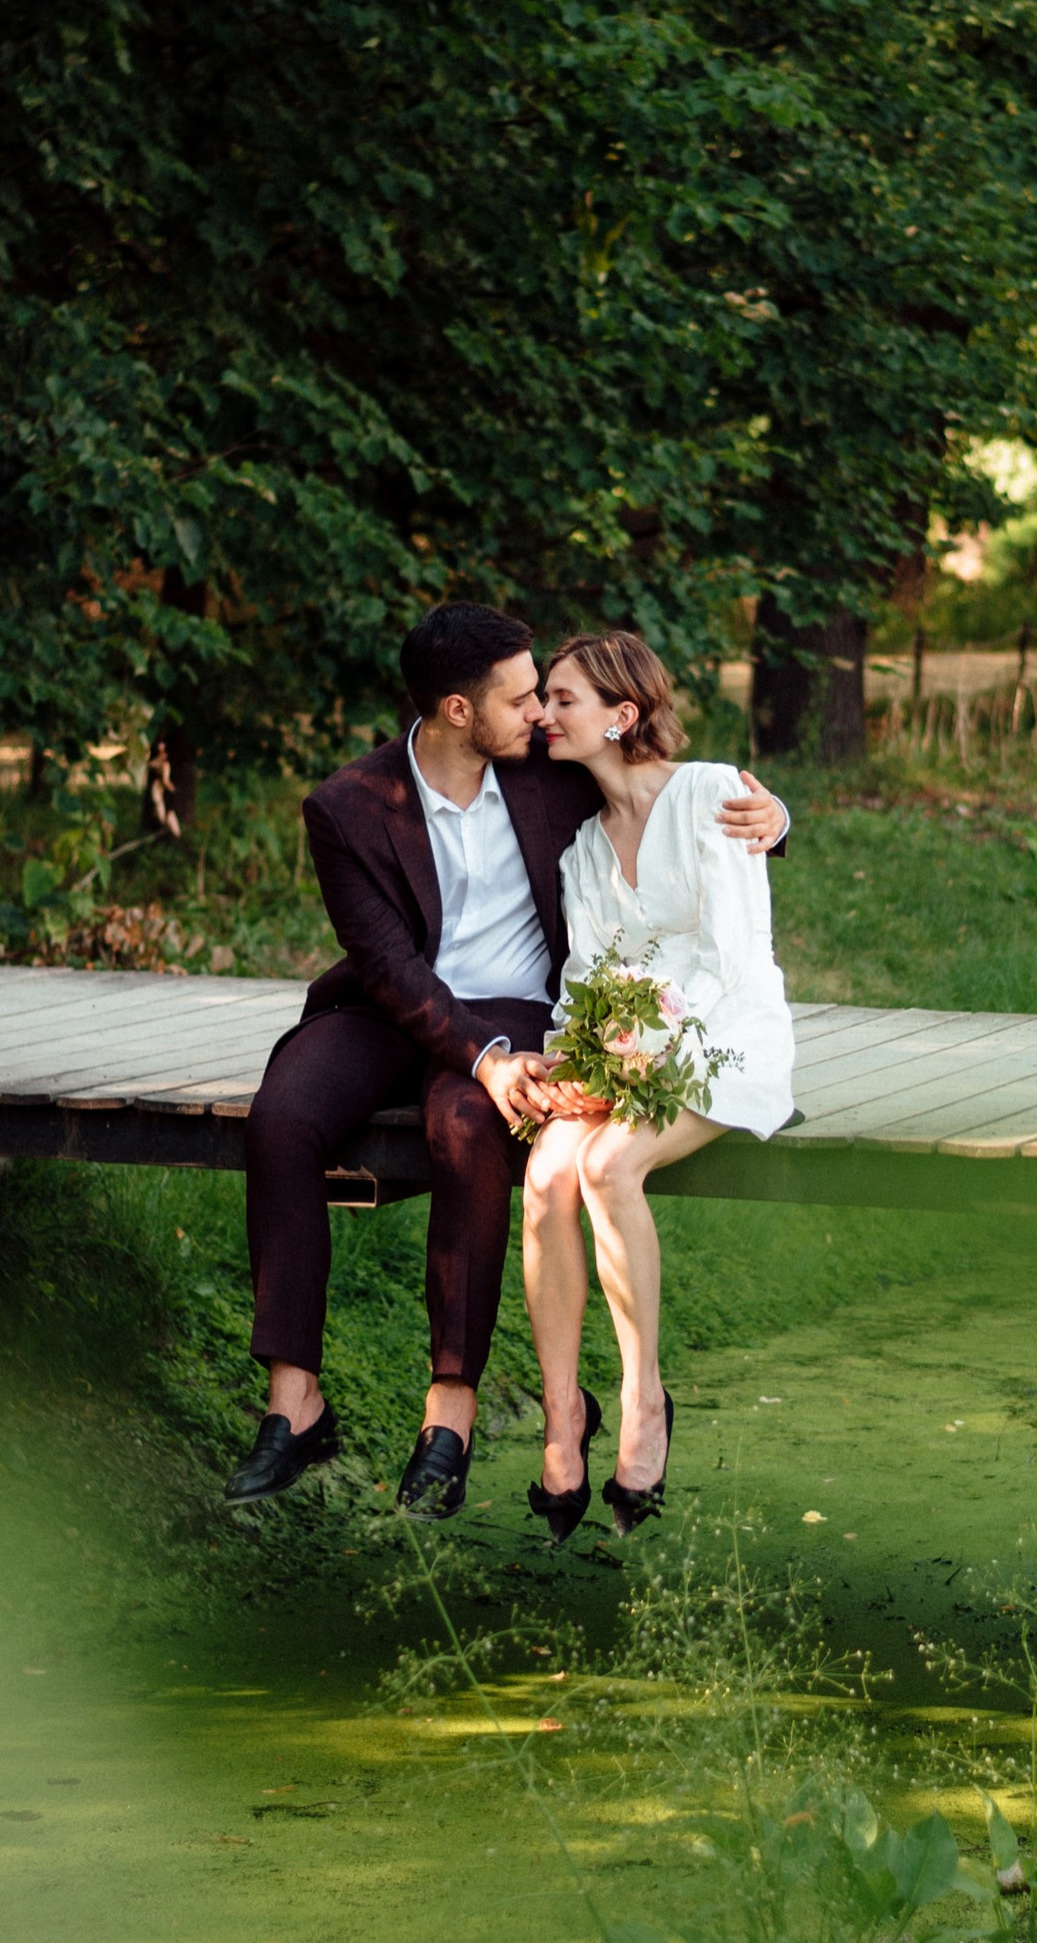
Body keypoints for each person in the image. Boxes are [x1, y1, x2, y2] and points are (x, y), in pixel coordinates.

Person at [222, 603, 788, 1519]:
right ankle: (295, 1401)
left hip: (519, 1005)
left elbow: (664, 789)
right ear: (459, 710)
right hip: (396, 1004)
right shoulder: (350, 807)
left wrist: (776, 817)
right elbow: (389, 967)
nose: (538, 713)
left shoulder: (545, 763)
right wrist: (484, 1058)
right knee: (282, 1116)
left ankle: (451, 1408)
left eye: (545, 696)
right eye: (522, 698)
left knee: (464, 1123)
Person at [519, 632, 798, 1542]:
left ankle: (644, 1399)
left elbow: (733, 956)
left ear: (622, 714)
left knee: (606, 1167)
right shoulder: (583, 851)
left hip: (724, 1038)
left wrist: (652, 1051)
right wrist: (576, 1061)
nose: (544, 715)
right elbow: (586, 977)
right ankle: (563, 1412)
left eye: (563, 699)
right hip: (625, 1048)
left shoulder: (711, 795)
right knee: (546, 1173)